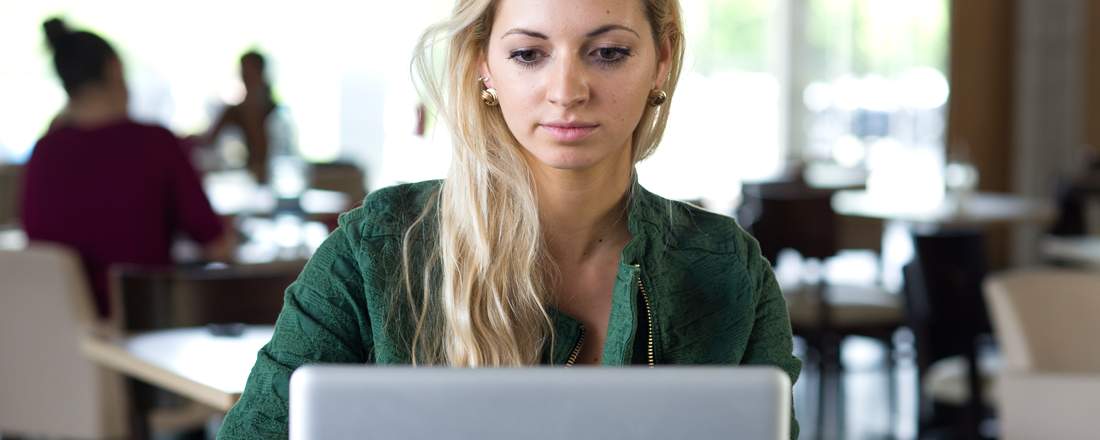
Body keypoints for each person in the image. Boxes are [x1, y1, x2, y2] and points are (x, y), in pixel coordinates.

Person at [219, 0, 801, 438]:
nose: (567, 90)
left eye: (609, 52)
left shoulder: (726, 267)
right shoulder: (377, 250)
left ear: (661, 60)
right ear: (484, 67)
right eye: (529, 54)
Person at [21, 18, 228, 318]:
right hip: (140, 338)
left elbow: (36, 248)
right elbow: (216, 245)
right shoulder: (155, 143)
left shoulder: (44, 152)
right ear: (115, 67)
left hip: (58, 342)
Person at [193, 51, 281, 183]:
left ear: (262, 74)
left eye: (251, 73)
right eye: (244, 73)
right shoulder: (234, 112)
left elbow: (269, 156)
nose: (246, 78)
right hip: (245, 182)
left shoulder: (277, 113)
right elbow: (209, 141)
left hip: (277, 182)